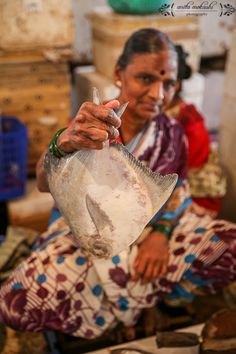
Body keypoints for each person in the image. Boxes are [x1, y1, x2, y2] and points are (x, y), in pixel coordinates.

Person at [0, 28, 236, 340]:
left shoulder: (173, 134)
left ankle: (135, 302)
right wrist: (62, 144)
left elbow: (178, 192)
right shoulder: (89, 129)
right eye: (146, 78)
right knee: (14, 304)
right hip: (88, 236)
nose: (158, 95)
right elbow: (45, 182)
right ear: (118, 73)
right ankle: (141, 302)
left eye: (169, 83)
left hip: (151, 230)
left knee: (228, 247)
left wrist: (161, 235)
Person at [165, 45, 226, 215]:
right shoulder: (148, 112)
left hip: (194, 196)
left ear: (175, 84)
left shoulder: (189, 122)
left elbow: (181, 173)